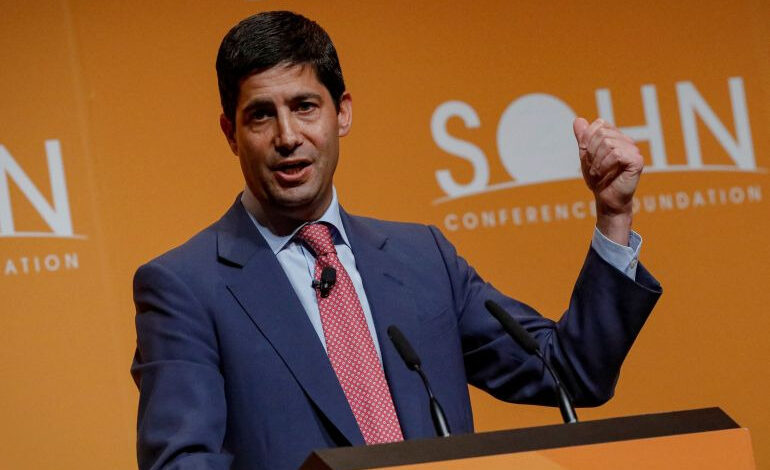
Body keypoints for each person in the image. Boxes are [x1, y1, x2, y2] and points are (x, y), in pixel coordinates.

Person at [131, 10, 661, 470]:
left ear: (342, 113)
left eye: (305, 106)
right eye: (261, 115)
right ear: (231, 133)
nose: (287, 137)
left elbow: (570, 372)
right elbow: (181, 462)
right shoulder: (186, 288)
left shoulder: (423, 259)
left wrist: (613, 214)